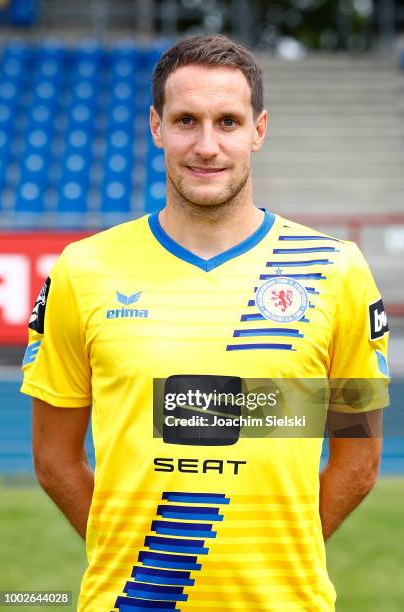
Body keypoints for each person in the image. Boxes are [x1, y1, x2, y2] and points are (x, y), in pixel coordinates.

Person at [21, 34, 390, 612]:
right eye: (187, 120)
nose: (207, 145)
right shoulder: (83, 269)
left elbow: (359, 457)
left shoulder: (335, 269)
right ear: (156, 127)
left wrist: (281, 556)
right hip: (133, 601)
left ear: (258, 131)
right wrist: (123, 551)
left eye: (228, 121)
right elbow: (54, 458)